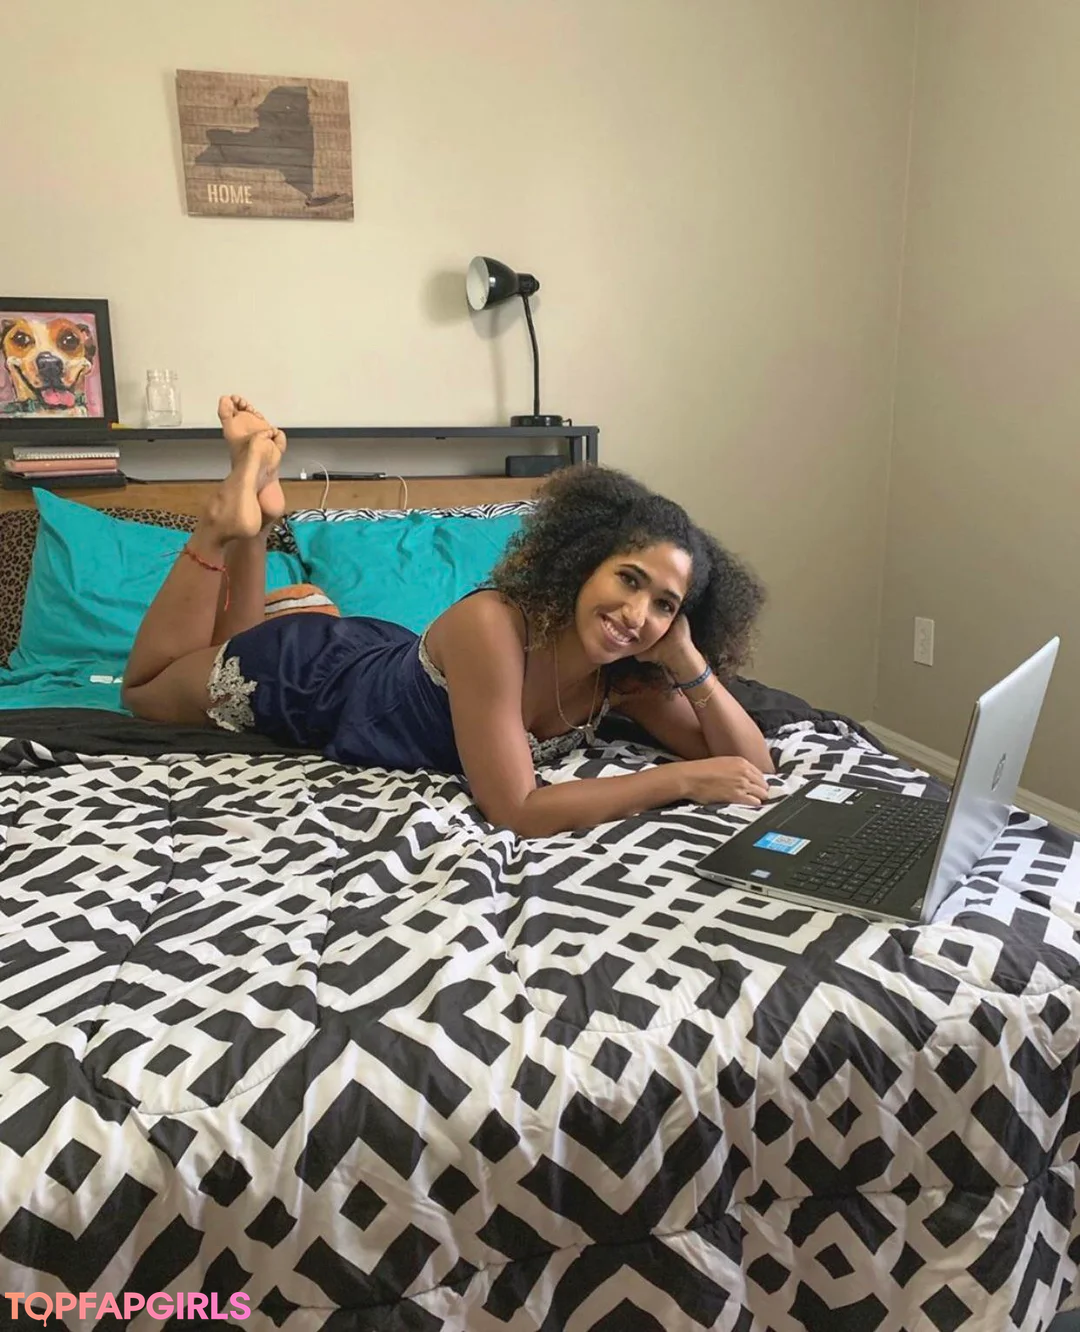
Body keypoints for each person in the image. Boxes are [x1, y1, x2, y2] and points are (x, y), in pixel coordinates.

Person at [123, 396, 774, 837]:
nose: (635, 614)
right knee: (148, 691)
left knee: (230, 642)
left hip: (377, 657)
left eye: (664, 604)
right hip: (310, 677)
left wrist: (684, 656)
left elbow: (754, 767)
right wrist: (679, 780)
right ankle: (220, 526)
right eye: (628, 579)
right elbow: (517, 809)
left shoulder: (624, 669)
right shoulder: (493, 625)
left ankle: (261, 521)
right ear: (584, 562)